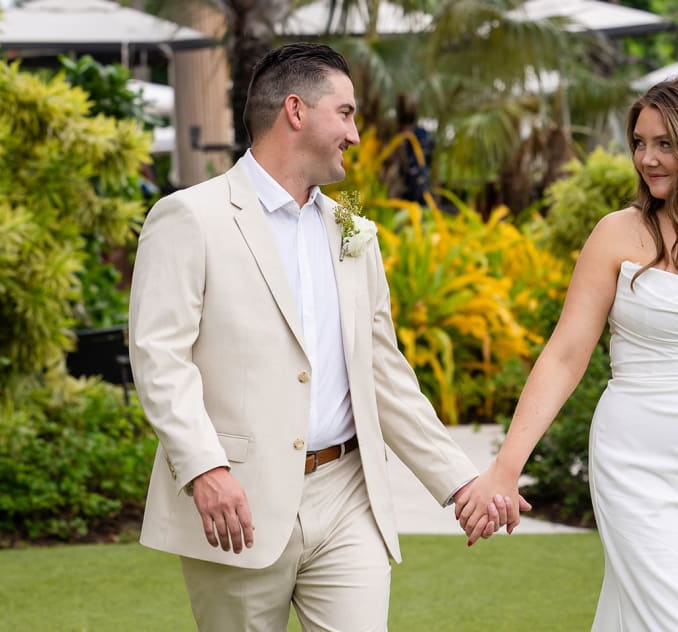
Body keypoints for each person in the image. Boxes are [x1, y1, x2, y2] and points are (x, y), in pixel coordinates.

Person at [128, 43, 519, 631]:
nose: (356, 134)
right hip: (239, 502)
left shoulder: (353, 229)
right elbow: (160, 357)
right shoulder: (189, 217)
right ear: (295, 110)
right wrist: (204, 468)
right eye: (346, 113)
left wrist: (460, 481)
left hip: (348, 498)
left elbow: (383, 371)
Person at [456, 74, 678, 629]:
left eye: (666, 143)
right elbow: (565, 354)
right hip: (638, 463)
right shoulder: (617, 234)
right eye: (640, 143)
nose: (647, 158)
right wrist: (506, 467)